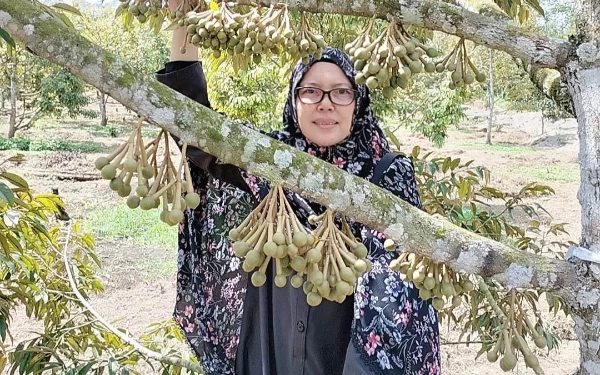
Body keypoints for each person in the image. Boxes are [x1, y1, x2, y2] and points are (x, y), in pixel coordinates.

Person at [155, 6, 441, 375]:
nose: (325, 102)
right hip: (269, 348)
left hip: (346, 358)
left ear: (359, 102)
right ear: (294, 100)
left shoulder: (387, 174)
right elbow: (192, 125)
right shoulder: (269, 159)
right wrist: (186, 19)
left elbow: (402, 291)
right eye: (311, 91)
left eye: (341, 92)